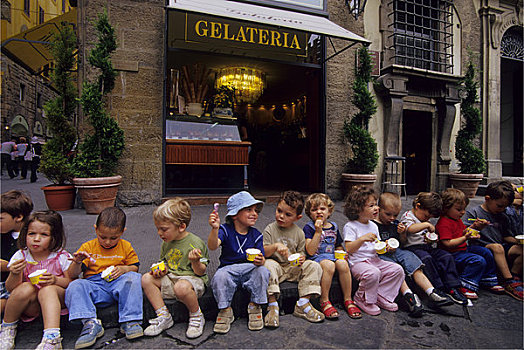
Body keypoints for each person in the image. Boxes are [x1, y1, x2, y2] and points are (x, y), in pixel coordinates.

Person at [65, 207, 144, 349]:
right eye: (103, 237)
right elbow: (72, 274)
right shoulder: (88, 247)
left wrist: (124, 269)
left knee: (133, 277)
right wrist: (77, 262)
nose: (107, 242)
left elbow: (134, 267)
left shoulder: (125, 246)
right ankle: (90, 323)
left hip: (117, 283)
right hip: (95, 285)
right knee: (75, 285)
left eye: (113, 238)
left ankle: (130, 320)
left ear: (122, 232)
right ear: (96, 230)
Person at [1, 211, 73, 350]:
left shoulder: (61, 256)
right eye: (32, 234)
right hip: (32, 306)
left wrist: (55, 280)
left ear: (54, 237)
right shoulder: (21, 255)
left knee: (47, 290)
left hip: (57, 302)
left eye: (44, 235)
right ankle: (8, 327)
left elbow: (71, 282)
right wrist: (15, 273)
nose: (36, 239)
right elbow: (11, 289)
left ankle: (52, 338)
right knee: (25, 287)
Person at [374, 192, 452, 317]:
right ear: (378, 210)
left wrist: (402, 233)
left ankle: (431, 291)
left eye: (395, 215)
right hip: (382, 254)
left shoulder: (395, 224)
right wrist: (381, 245)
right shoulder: (373, 225)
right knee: (396, 269)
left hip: (398, 250)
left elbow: (402, 243)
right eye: (388, 214)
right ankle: (409, 296)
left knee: (413, 263)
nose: (392, 218)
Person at [142, 198, 208, 339]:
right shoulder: (166, 243)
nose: (160, 233)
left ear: (181, 227)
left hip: (191, 281)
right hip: (172, 278)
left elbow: (201, 272)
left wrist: (195, 261)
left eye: (164, 229)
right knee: (147, 278)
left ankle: (196, 316)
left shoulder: (195, 242)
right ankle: (163, 316)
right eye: (158, 229)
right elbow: (165, 262)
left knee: (181, 287)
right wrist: (162, 270)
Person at [208, 191, 270, 333]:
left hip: (250, 267)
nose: (254, 213)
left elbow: (262, 258)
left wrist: (260, 261)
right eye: (249, 209)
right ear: (235, 215)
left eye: (255, 210)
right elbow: (212, 246)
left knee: (263, 271)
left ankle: (255, 305)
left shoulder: (256, 235)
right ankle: (225, 309)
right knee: (219, 277)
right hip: (229, 268)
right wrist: (215, 229)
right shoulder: (225, 230)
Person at [263, 190, 324, 328]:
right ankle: (272, 305)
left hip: (291, 268)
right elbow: (264, 252)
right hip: (276, 267)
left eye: (288, 214)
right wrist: (275, 247)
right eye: (279, 211)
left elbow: (302, 252)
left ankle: (303, 303)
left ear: (297, 217)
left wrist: (302, 258)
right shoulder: (270, 229)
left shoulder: (299, 232)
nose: (281, 216)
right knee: (267, 265)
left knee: (313, 266)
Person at [343, 185, 405, 316]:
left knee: (397, 270)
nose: (376, 208)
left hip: (374, 260)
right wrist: (362, 239)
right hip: (359, 263)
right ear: (358, 209)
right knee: (373, 273)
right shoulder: (351, 226)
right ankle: (362, 298)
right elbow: (349, 248)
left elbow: (376, 247)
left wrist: (385, 246)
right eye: (371, 206)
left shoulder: (373, 225)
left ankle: (381, 296)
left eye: (376, 204)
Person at [400, 192, 468, 305]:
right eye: (426, 216)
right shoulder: (408, 216)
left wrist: (432, 239)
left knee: (445, 256)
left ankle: (452, 286)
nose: (427, 219)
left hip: (426, 246)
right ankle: (437, 288)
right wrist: (426, 225)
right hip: (412, 248)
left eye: (429, 218)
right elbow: (410, 229)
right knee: (426, 259)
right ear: (418, 206)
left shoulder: (424, 218)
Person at [437, 188, 504, 300]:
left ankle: (488, 278)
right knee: (478, 260)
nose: (462, 212)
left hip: (462, 249)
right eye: (459, 209)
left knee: (485, 252)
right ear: (445, 209)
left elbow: (462, 231)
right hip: (452, 254)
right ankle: (466, 283)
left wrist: (474, 228)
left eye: (464, 209)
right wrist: (465, 237)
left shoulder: (456, 219)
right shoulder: (444, 223)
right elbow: (447, 243)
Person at [303, 193, 361, 319]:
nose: (318, 212)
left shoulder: (333, 226)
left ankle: (348, 299)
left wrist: (342, 253)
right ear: (309, 213)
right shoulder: (309, 228)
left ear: (329, 211)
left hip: (332, 255)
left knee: (343, 264)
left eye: (322, 209)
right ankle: (324, 300)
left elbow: (338, 245)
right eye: (314, 209)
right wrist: (318, 232)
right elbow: (310, 251)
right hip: (317, 258)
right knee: (329, 265)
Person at [464, 180, 523, 301]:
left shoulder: (503, 215)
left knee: (520, 250)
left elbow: (505, 236)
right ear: (487, 198)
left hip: (501, 246)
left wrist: (518, 241)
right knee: (497, 247)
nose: (502, 209)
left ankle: (514, 274)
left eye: (505, 207)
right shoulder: (474, 212)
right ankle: (508, 281)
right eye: (499, 206)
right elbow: (464, 232)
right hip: (482, 247)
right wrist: (476, 227)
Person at [1, 190, 33, 314]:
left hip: (15, 285)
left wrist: (8, 267)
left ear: (18, 217)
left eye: (1, 219)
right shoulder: (4, 235)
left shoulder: (31, 237)